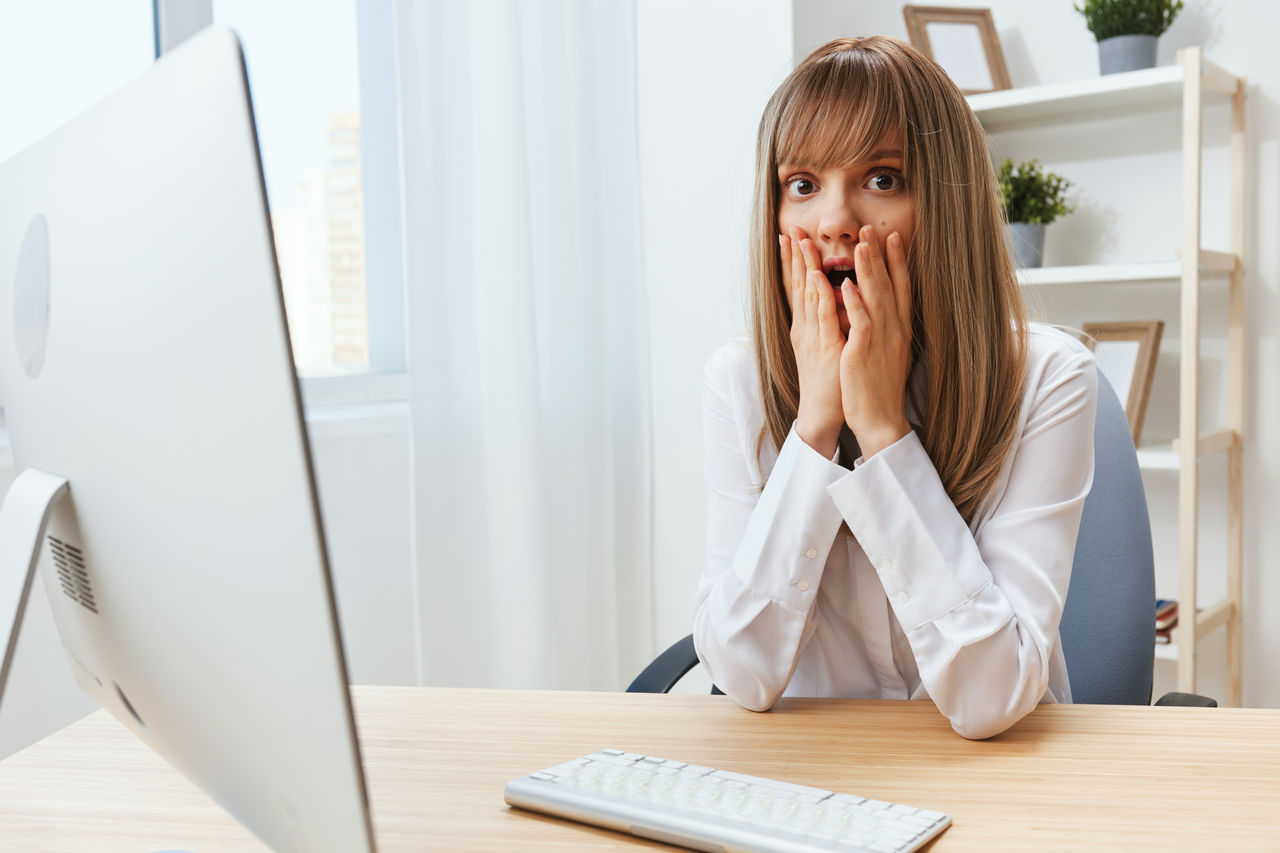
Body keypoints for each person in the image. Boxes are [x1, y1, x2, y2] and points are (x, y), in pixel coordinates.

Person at [694, 36, 1097, 740]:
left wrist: (882, 430)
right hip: (814, 780)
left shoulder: (1049, 377)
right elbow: (741, 671)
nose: (832, 222)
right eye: (802, 184)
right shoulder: (738, 381)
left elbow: (991, 695)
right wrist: (815, 428)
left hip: (1002, 784)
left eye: (882, 179)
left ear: (946, 203)